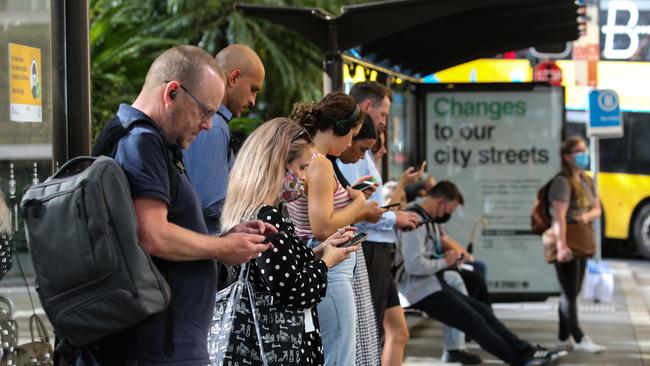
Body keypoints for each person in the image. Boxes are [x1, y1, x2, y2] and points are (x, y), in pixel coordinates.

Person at [81, 45, 275, 366]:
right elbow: (153, 234)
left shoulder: (139, 138)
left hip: (164, 341)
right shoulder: (141, 142)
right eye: (205, 112)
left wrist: (226, 239)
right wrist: (221, 248)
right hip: (157, 345)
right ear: (172, 93)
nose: (208, 125)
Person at [217, 117, 358, 365]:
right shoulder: (267, 215)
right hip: (276, 342)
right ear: (278, 165)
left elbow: (278, 267)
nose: (304, 178)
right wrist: (325, 263)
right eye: (302, 168)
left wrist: (320, 251)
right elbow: (292, 289)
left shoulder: (250, 210)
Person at [397, 181, 563, 366]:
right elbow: (413, 265)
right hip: (418, 289)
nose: (448, 216)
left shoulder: (428, 218)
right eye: (449, 211)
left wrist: (450, 257)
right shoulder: (415, 219)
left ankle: (527, 351)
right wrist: (445, 261)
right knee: (474, 321)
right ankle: (519, 360)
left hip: (431, 283)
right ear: (440, 202)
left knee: (483, 311)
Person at [338, 81, 419, 366]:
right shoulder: (347, 155)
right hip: (370, 248)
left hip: (378, 248)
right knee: (370, 332)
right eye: (382, 115)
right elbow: (356, 208)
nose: (384, 121)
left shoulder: (360, 153)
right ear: (367, 108)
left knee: (397, 330)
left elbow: (368, 203)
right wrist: (393, 217)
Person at [286, 92, 368, 366]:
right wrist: (360, 204)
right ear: (340, 127)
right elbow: (322, 227)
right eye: (351, 135)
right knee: (339, 355)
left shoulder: (314, 159)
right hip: (331, 269)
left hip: (323, 265)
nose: (350, 144)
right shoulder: (319, 163)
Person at [183, 44, 265, 234]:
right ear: (234, 78)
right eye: (253, 89)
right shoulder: (215, 126)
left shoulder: (212, 122)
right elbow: (209, 202)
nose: (253, 101)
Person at [550, 135, 605, 353]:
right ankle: (580, 338)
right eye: (579, 151)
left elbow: (598, 208)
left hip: (582, 243)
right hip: (568, 244)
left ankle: (563, 339)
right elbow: (559, 217)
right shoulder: (562, 182)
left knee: (573, 291)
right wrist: (562, 246)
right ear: (567, 156)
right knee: (568, 292)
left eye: (585, 150)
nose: (584, 155)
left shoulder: (586, 180)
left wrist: (585, 216)